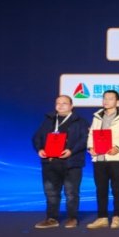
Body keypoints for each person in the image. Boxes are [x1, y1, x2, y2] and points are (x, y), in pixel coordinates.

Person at [32, 95, 89, 229]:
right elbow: (37, 137)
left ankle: (72, 218)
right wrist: (39, 149)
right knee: (51, 192)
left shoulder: (80, 121)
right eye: (58, 103)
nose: (61, 105)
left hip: (71, 162)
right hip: (50, 162)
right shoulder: (49, 120)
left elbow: (85, 139)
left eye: (64, 103)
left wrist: (71, 151)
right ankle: (52, 218)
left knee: (71, 193)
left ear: (71, 106)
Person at [86, 89, 119, 229]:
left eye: (110, 98)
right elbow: (91, 135)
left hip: (116, 157)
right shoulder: (97, 116)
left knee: (117, 188)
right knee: (101, 189)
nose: (106, 101)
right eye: (104, 98)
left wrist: (117, 147)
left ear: (117, 101)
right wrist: (90, 147)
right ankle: (102, 218)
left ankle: (117, 217)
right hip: (99, 158)